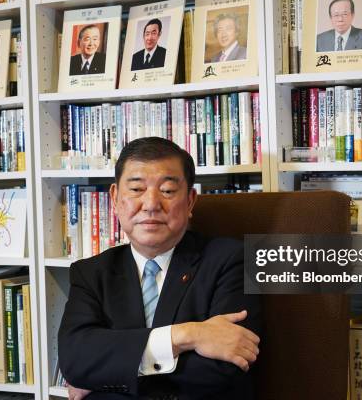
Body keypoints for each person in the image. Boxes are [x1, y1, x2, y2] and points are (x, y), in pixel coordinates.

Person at [58, 137, 261, 400]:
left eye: (167, 190)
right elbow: (75, 361)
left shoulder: (234, 260)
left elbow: (225, 367)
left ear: (190, 202)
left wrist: (109, 375)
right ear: (115, 198)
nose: (151, 204)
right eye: (136, 189)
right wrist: (188, 335)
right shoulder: (90, 273)